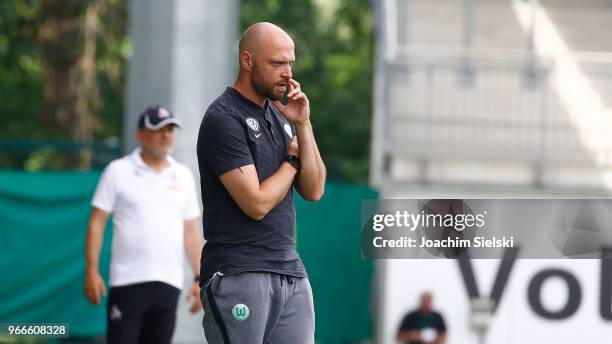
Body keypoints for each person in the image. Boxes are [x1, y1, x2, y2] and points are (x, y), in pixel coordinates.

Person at [196, 22, 326, 343]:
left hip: (290, 272)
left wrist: (303, 125)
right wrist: (292, 160)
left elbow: (314, 190)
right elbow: (256, 204)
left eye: (291, 62)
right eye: (278, 63)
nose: (288, 72)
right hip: (239, 273)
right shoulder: (223, 118)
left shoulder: (283, 116)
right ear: (247, 61)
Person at [84, 105, 203, 344]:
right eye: (158, 129)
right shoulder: (118, 171)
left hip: (169, 284)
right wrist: (91, 270)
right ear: (140, 135)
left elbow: (191, 232)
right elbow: (97, 224)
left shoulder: (183, 175)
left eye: (170, 129)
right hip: (127, 281)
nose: (166, 135)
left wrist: (200, 279)